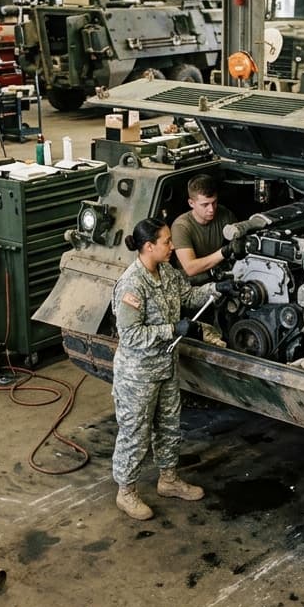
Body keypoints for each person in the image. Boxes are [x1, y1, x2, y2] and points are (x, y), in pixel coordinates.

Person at [111, 216, 236, 521]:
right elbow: (130, 335)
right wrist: (173, 329)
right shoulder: (132, 283)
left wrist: (215, 289)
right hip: (137, 374)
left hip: (166, 366)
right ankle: (126, 492)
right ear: (148, 246)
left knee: (168, 426)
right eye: (166, 241)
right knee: (135, 433)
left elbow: (187, 295)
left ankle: (168, 480)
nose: (172, 246)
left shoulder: (166, 272)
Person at [171, 174, 239, 282]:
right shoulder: (181, 226)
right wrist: (223, 252)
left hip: (217, 275)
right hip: (192, 283)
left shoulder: (224, 214)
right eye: (205, 205)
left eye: (214, 202)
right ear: (191, 203)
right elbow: (190, 268)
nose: (211, 209)